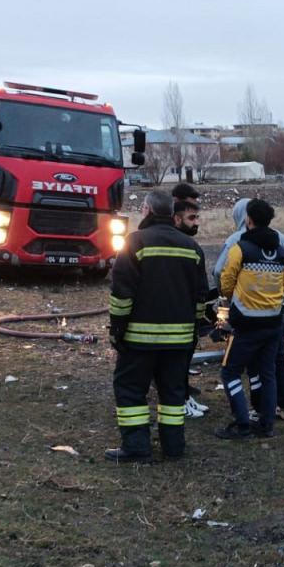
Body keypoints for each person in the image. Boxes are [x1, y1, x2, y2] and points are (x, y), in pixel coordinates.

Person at [106, 191, 208, 462]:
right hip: (180, 341)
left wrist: (117, 329)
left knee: (130, 390)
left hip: (139, 340)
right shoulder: (191, 247)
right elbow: (201, 297)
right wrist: (194, 329)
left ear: (147, 210)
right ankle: (174, 448)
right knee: (173, 393)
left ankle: (137, 447)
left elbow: (121, 294)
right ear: (172, 214)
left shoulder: (135, 242)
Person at [212, 198, 284, 422]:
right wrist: (275, 295)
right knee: (274, 364)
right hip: (273, 315)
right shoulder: (279, 241)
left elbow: (220, 273)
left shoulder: (237, 242)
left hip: (247, 316)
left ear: (245, 218)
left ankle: (250, 416)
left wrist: (233, 298)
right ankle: (281, 409)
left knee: (237, 369)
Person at [170, 185, 210, 418]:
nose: (197, 223)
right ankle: (178, 401)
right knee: (175, 363)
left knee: (182, 361)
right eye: (192, 217)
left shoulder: (188, 244)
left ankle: (184, 396)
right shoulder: (184, 246)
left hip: (183, 316)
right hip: (178, 317)